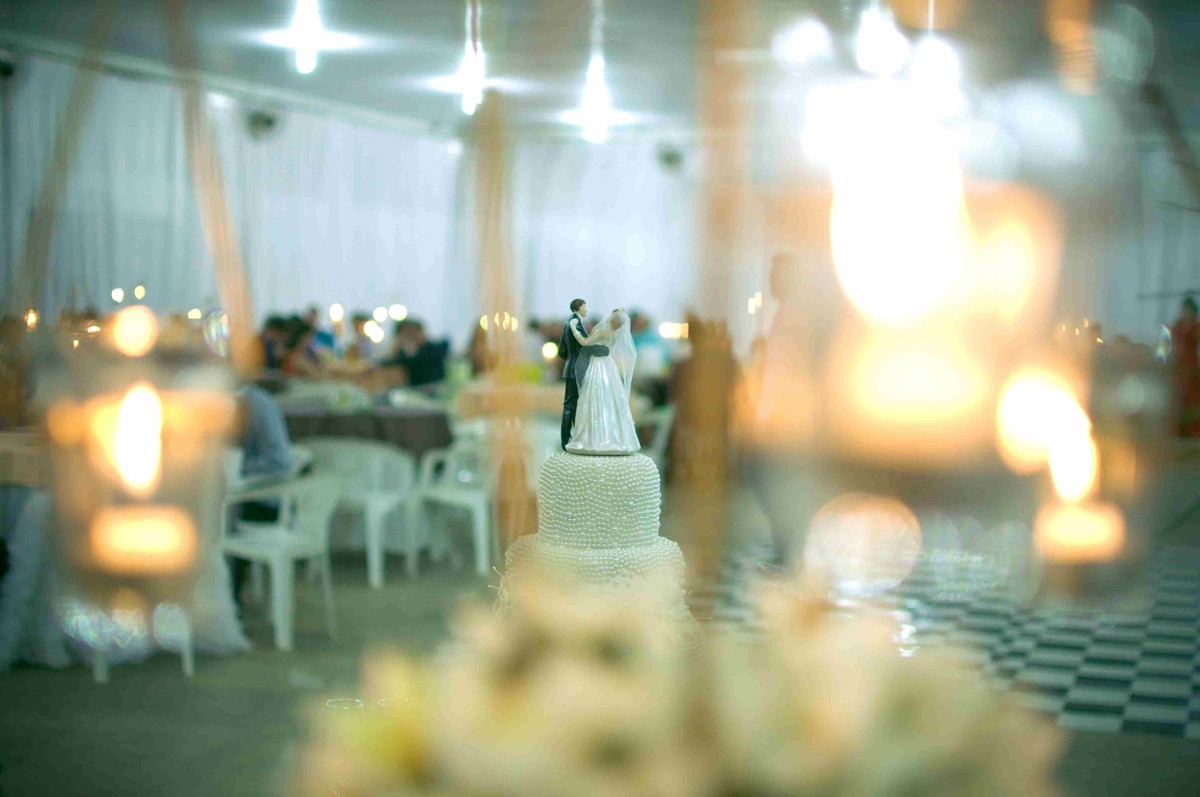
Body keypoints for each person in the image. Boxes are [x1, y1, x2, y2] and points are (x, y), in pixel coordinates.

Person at [229, 384, 295, 609]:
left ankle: (230, 601)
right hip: (234, 496)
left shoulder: (258, 404)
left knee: (225, 523)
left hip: (265, 501)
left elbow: (280, 461)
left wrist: (237, 468)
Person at [566, 309, 641, 455]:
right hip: (608, 366)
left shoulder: (603, 332)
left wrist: (574, 328)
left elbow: (584, 342)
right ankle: (610, 434)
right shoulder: (615, 334)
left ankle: (594, 436)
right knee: (609, 399)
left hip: (598, 366)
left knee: (594, 397)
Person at [559, 298, 591, 449]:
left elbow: (561, 350)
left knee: (570, 405)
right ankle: (568, 439)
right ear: (578, 308)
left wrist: (570, 359)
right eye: (585, 307)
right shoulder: (575, 323)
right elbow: (586, 344)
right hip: (577, 369)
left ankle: (568, 437)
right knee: (573, 405)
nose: (586, 310)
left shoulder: (567, 323)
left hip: (569, 367)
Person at [388, 319, 449, 387]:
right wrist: (398, 345)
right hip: (416, 390)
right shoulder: (409, 353)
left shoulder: (435, 348)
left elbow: (444, 345)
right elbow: (392, 362)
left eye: (416, 331)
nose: (414, 335)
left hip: (436, 388)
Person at [1171, 296, 1200, 437]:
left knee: (1191, 395)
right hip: (1179, 362)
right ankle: (1179, 428)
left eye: (1187, 309)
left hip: (1190, 363)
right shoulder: (1178, 324)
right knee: (1178, 394)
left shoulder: (1196, 325)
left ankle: (1192, 429)